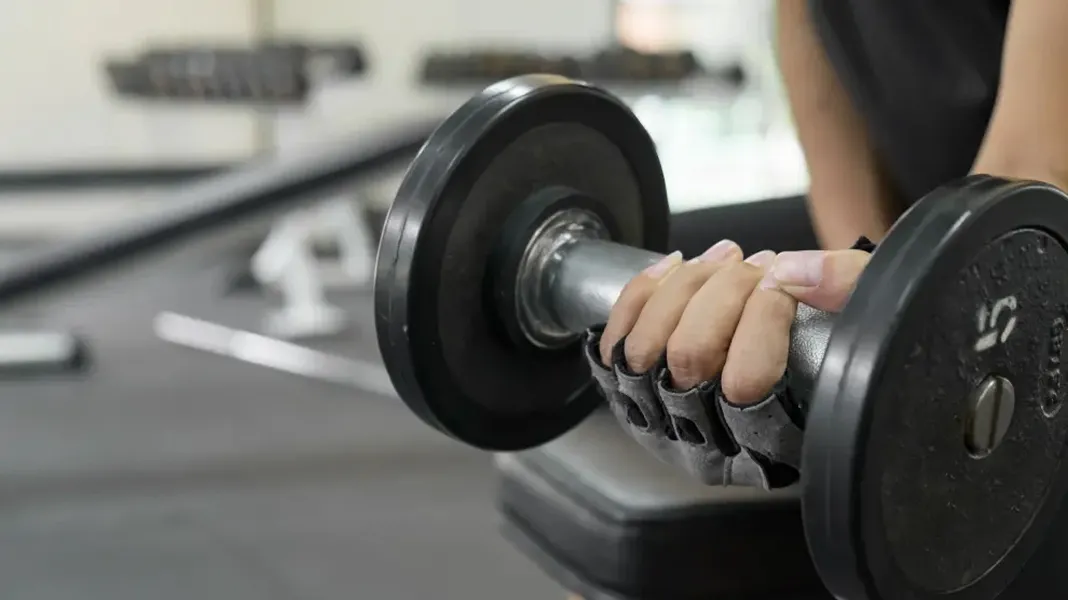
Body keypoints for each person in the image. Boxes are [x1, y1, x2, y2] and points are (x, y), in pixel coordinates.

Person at [587, 0, 1068, 487]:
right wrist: (852, 296)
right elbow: (809, 41)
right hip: (917, 215)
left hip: (1032, 220)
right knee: (655, 285)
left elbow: (1033, 178)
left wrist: (900, 339)